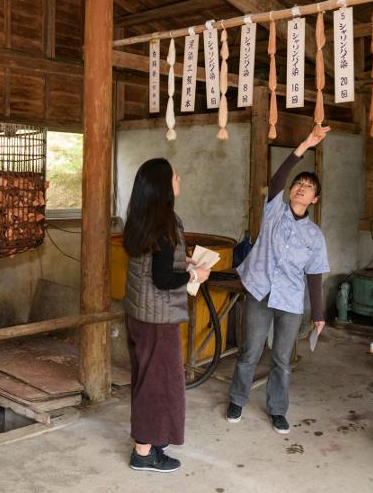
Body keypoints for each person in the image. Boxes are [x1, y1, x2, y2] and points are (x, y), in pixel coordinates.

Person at [226, 125, 330, 434]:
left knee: (282, 359)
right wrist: (305, 144)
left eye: (308, 186)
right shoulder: (273, 211)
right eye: (299, 183)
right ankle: (237, 399)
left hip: (290, 300)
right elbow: (277, 179)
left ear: (315, 198)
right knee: (250, 351)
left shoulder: (315, 235)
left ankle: (277, 409)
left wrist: (320, 315)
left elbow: (314, 274)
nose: (301, 187)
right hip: (260, 290)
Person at [122, 158, 210, 473]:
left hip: (138, 313)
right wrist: (195, 274)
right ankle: (143, 452)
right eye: (174, 175)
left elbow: (153, 264)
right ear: (163, 186)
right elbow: (162, 280)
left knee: (147, 379)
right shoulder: (164, 224)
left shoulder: (140, 218)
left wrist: (183, 263)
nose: (179, 178)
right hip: (157, 319)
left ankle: (151, 440)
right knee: (156, 384)